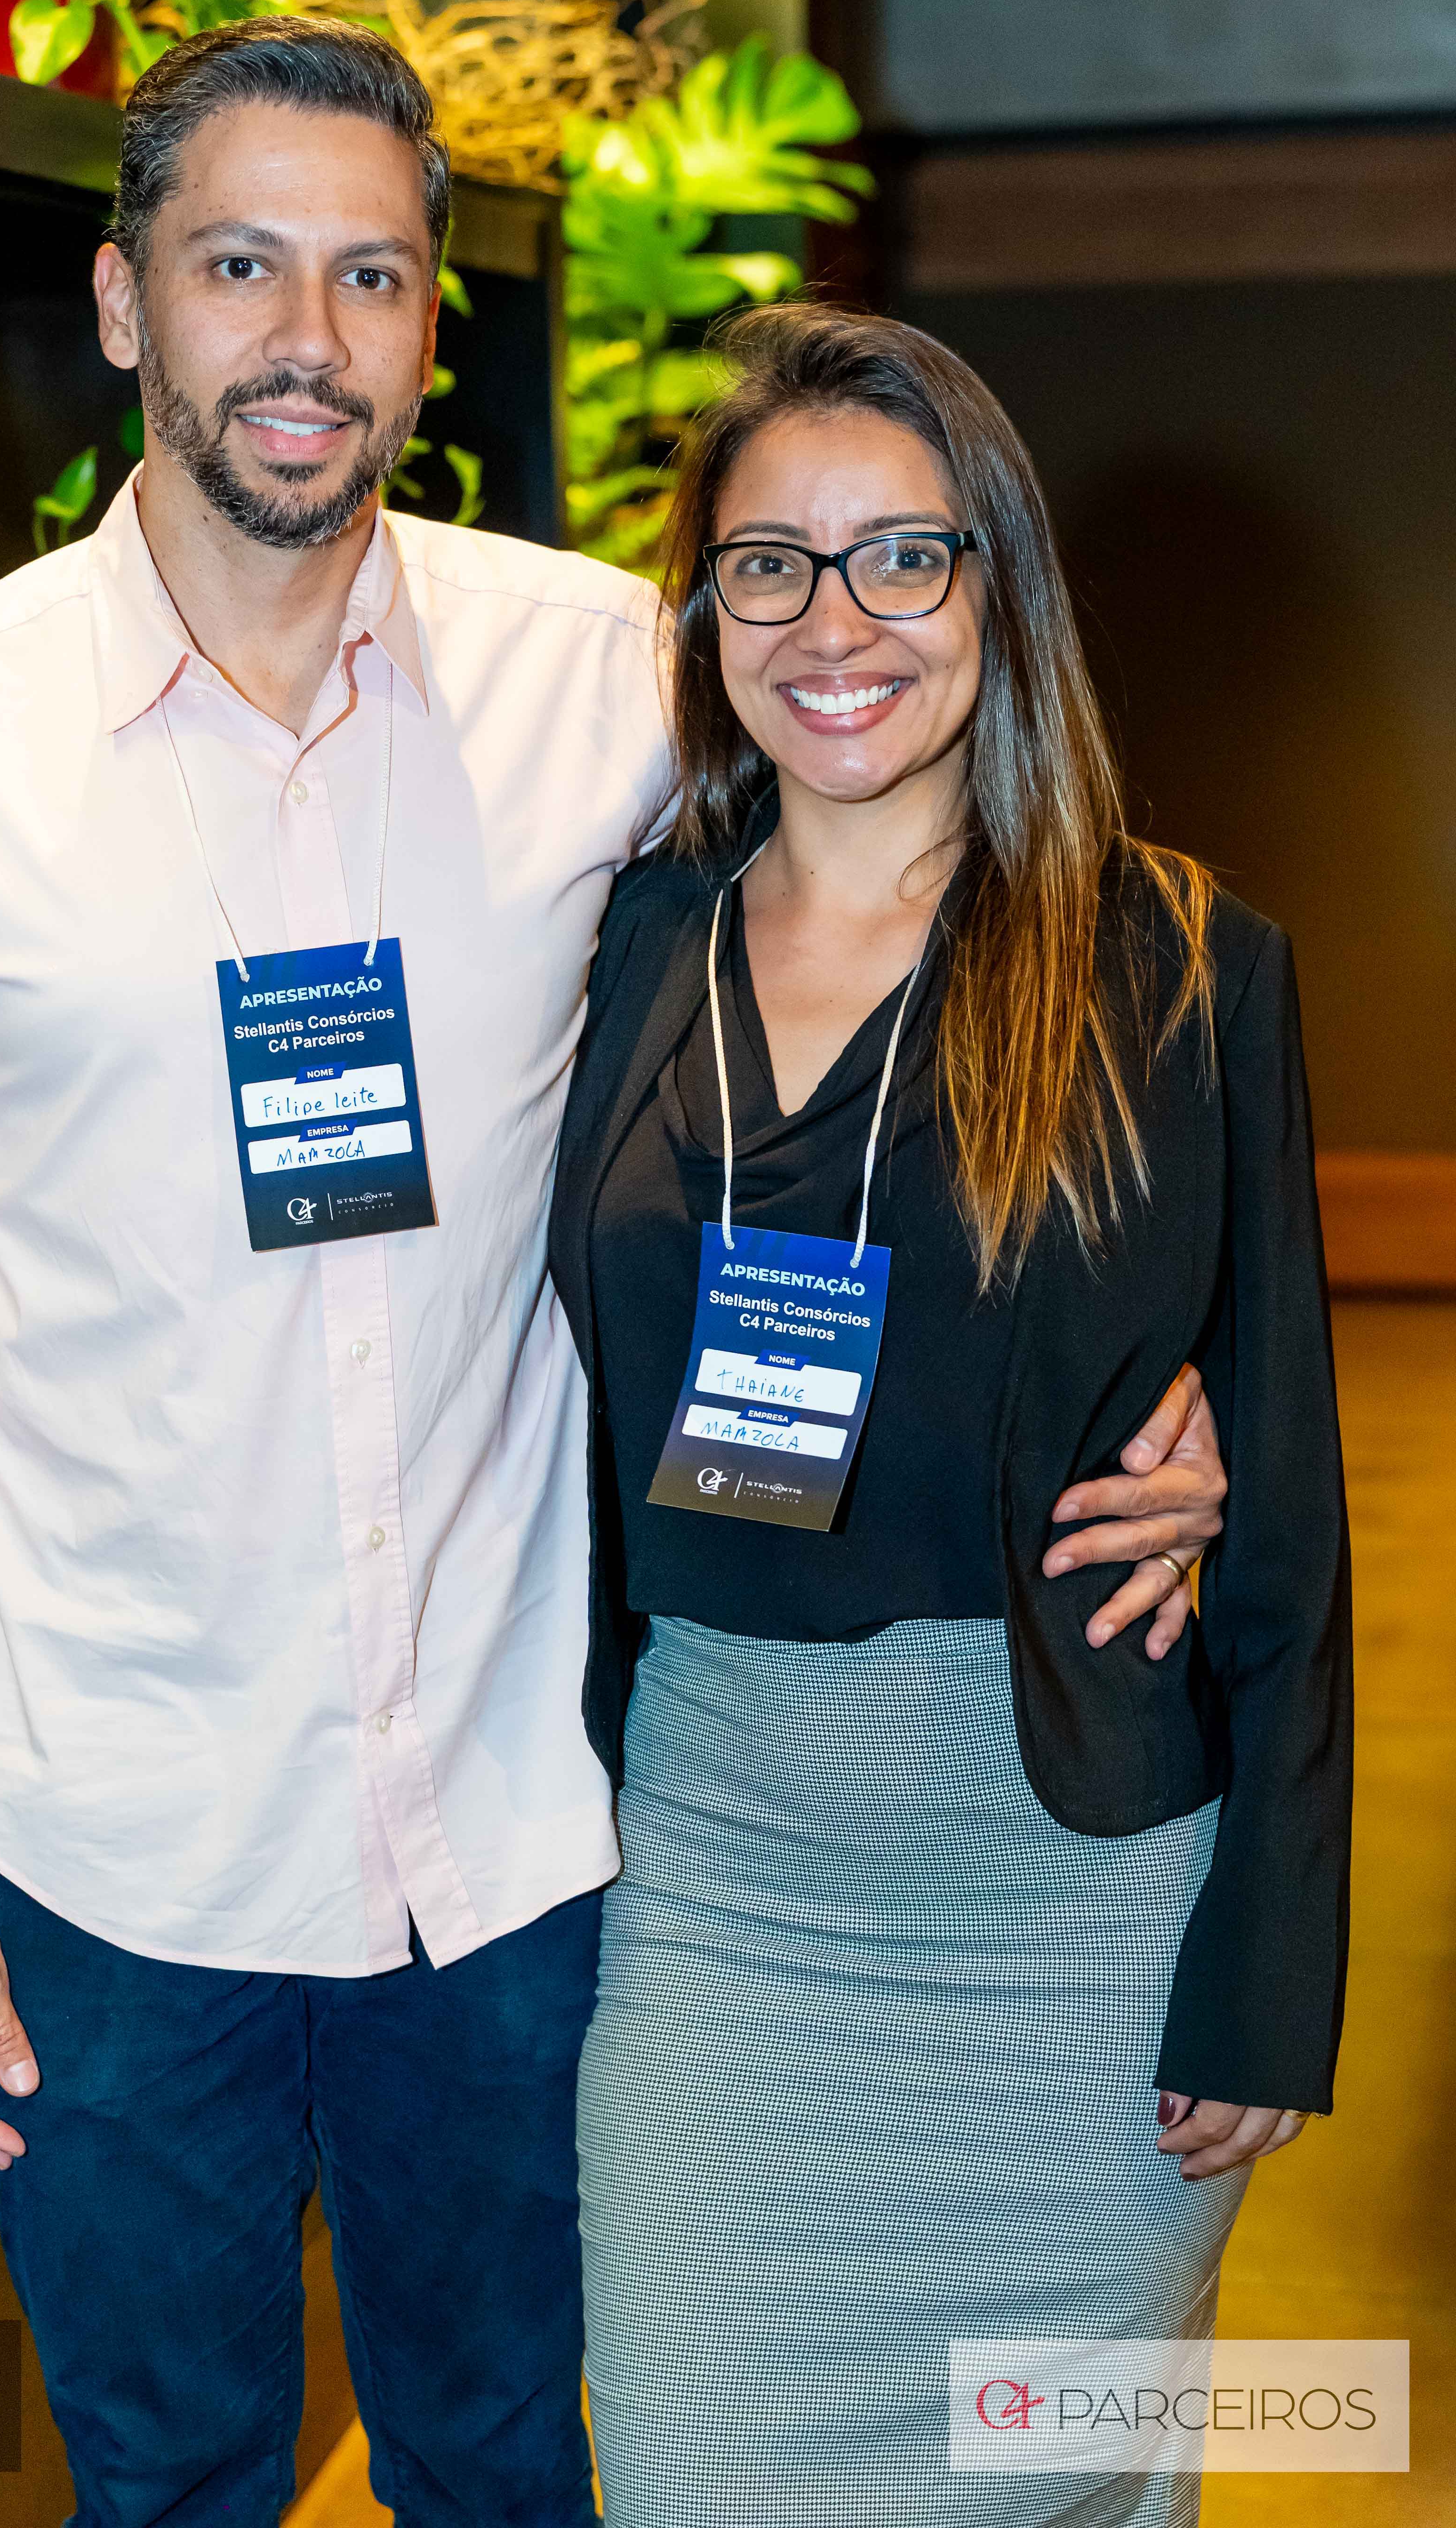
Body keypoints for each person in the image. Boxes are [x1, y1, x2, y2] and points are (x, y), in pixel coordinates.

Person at [0, 23, 1226, 2528]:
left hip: (523, 1827)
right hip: (110, 1843)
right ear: (121, 300)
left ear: (432, 325)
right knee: (171, 2474)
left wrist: (1150, 1370)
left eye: (372, 277)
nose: (307, 338)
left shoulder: (603, 678)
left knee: (513, 2464)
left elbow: (938, 886)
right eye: (240, 266)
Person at [549, 301, 1353, 2528]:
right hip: (709, 1888)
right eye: (768, 565)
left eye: (902, 556)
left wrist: (1267, 1971)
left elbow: (1282, 1511)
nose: (836, 624)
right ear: (702, 610)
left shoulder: (1176, 965)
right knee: (694, 2481)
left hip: (1069, 1917)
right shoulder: (619, 946)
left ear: (997, 583)